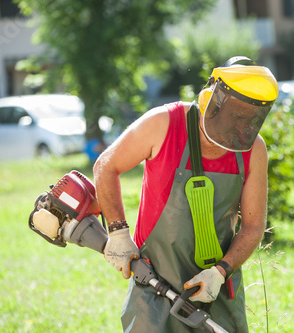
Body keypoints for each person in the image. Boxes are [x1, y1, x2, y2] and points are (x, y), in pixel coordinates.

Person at [93, 56, 278, 332]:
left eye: (250, 118)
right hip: (153, 286)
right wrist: (118, 232)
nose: (242, 127)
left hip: (216, 289)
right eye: (236, 115)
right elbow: (106, 167)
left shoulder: (254, 149)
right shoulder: (163, 124)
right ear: (211, 100)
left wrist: (220, 272)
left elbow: (253, 225)